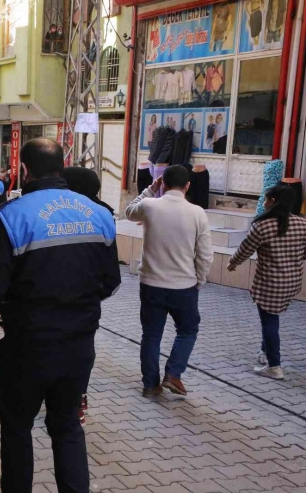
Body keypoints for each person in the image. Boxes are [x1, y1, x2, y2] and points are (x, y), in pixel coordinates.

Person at [0, 139, 120, 493]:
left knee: (17, 428)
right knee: (67, 427)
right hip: (79, 347)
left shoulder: (11, 215)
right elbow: (111, 282)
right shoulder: (99, 213)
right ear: (61, 167)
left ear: (26, 170)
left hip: (28, 347)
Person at [125, 165, 213, 397]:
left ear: (162, 183)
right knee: (188, 330)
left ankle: (150, 385)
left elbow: (129, 212)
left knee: (151, 335)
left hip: (151, 284)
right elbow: (205, 254)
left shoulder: (150, 205)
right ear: (188, 186)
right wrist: (199, 281)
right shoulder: (197, 213)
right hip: (184, 286)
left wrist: (149, 190)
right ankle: (173, 374)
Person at [227, 184, 306, 380]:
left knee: (270, 322)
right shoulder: (302, 224)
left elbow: (245, 249)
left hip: (270, 284)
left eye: (266, 198)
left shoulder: (263, 225)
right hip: (292, 282)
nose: (263, 202)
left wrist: (232, 264)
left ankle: (275, 366)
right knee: (272, 318)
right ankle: (265, 353)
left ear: (272, 201)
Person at [62, 166, 115, 426]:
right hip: (86, 307)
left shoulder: (52, 213)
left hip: (47, 304)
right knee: (82, 352)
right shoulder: (104, 215)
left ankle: (55, 399)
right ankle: (78, 399)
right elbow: (112, 277)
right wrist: (92, 297)